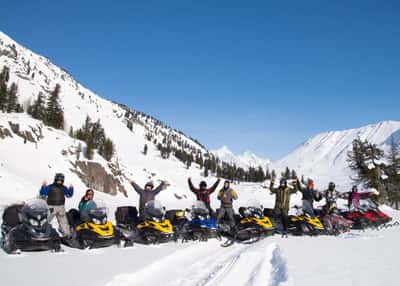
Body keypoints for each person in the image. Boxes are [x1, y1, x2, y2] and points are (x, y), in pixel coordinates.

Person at [39, 173, 74, 238]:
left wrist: (71, 188)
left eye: (61, 180)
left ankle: (67, 234)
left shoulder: (64, 188)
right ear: (55, 179)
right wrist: (43, 186)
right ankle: (40, 232)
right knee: (46, 220)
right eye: (58, 180)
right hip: (51, 207)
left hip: (61, 207)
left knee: (63, 222)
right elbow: (43, 193)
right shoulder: (50, 186)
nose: (59, 181)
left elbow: (69, 195)